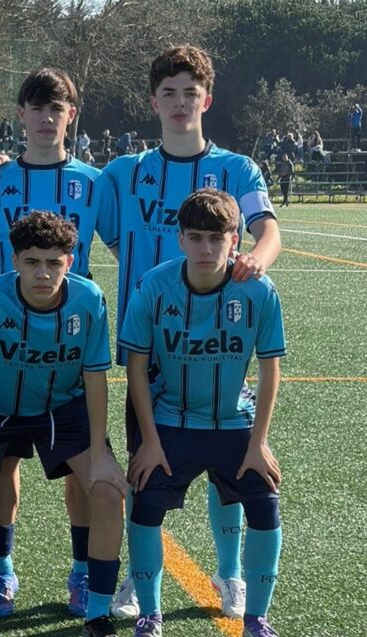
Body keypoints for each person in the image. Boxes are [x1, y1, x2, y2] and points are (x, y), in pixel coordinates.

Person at [94, 45, 281, 624]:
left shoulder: (238, 169)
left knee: (230, 469)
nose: (180, 103)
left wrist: (256, 261)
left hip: (218, 341)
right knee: (145, 464)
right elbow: (94, 226)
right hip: (150, 345)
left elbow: (267, 229)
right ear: (153, 102)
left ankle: (231, 575)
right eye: (169, 93)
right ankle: (138, 577)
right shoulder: (122, 173)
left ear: (208, 99)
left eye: (190, 93)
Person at [0, 67, 115, 621]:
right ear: (20, 115)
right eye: (36, 108)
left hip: (70, 345)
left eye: (56, 108)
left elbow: (127, 245)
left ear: (71, 115)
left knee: (80, 473)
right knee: (0, 470)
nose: (45, 118)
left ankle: (81, 573)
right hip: (7, 347)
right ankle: (2, 571)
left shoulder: (96, 182)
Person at [0, 211, 128, 637]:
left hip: (62, 407)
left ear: (70, 261)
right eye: (31, 262)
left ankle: (95, 607)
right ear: (14, 261)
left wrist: (100, 453)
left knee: (106, 490)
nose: (43, 273)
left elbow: (95, 378)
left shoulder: (89, 299)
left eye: (53, 263)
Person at [119, 189, 286, 637]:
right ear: (180, 239)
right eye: (195, 237)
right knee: (145, 501)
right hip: (172, 421)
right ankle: (150, 613)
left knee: (266, 505)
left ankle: (257, 618)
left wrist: (259, 443)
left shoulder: (258, 291)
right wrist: (149, 442)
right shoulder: (154, 286)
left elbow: (270, 369)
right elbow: (136, 368)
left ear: (235, 240)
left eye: (217, 238)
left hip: (234, 422)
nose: (206, 249)